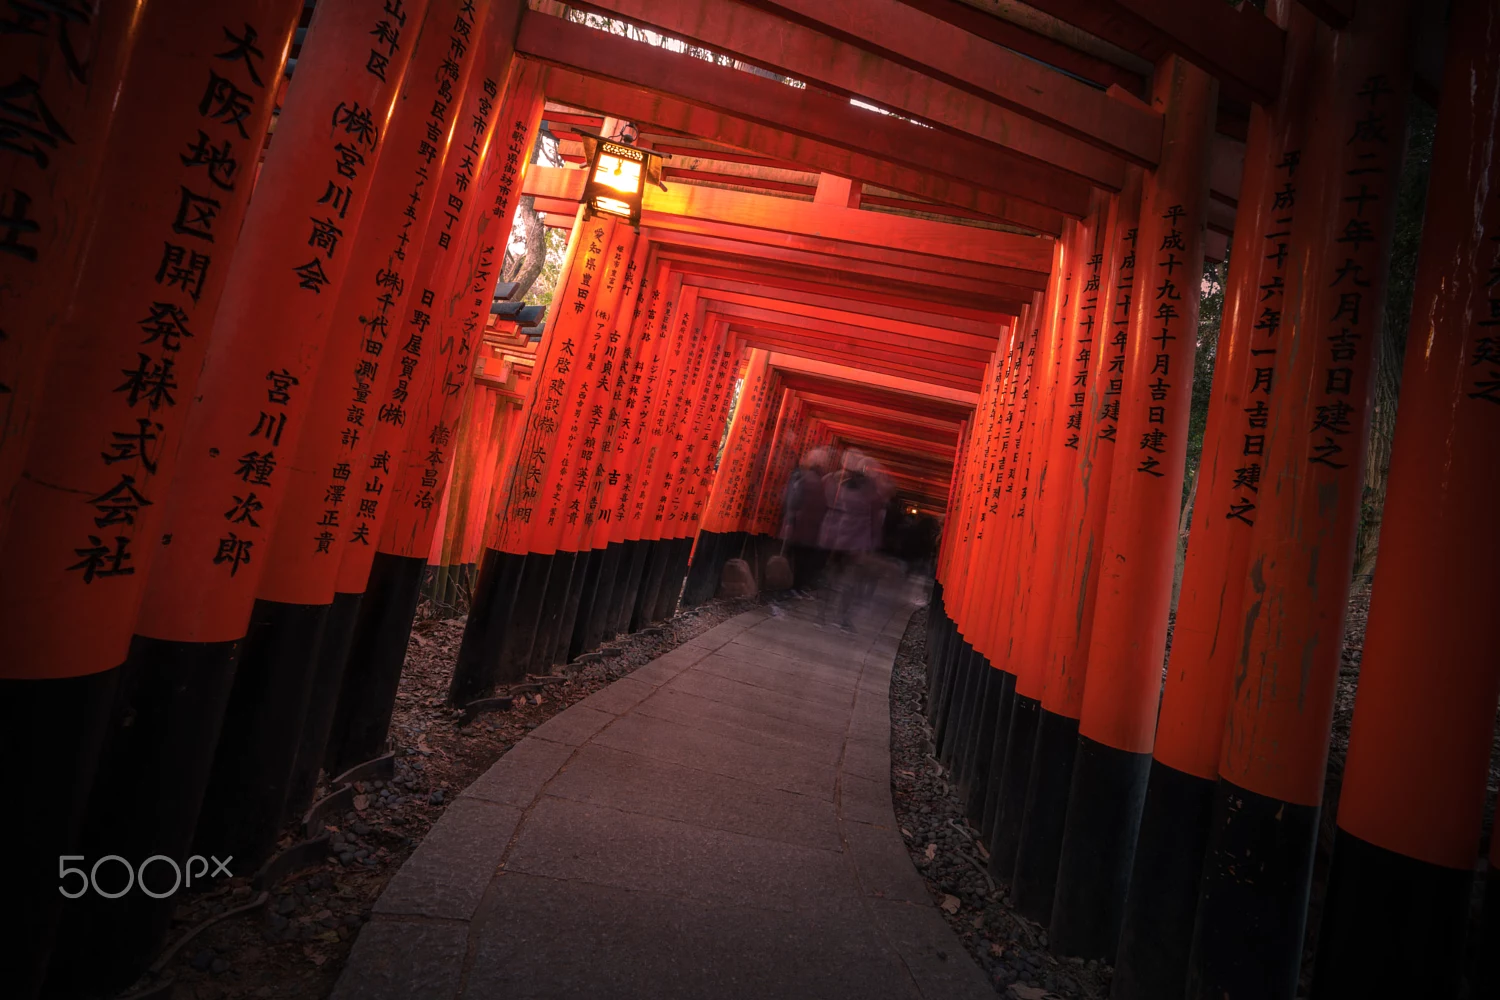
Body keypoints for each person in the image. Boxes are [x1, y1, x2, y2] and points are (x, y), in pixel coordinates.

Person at [818, 450, 887, 630]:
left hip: (836, 535)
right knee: (850, 581)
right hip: (856, 539)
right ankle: (842, 618)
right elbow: (875, 518)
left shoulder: (841, 484)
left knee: (831, 575)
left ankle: (821, 614)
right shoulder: (871, 492)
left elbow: (827, 500)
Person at [779, 446, 832, 597]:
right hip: (813, 529)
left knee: (796, 558)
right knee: (804, 560)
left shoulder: (804, 478)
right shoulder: (822, 481)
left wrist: (789, 521)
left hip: (799, 525)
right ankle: (798, 587)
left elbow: (792, 501)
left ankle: (793, 588)